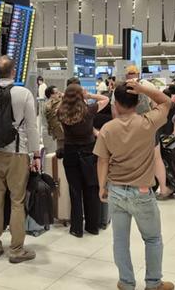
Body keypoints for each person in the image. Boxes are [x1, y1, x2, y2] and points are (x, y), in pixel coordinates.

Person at [95, 80, 175, 290]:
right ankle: (153, 283)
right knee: (152, 238)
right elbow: (166, 102)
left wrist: (101, 186)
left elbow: (102, 161)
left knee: (120, 241)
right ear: (138, 102)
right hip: (142, 191)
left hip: (116, 190)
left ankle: (126, 282)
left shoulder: (107, 129)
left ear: (115, 104)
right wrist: (144, 89)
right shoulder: (148, 122)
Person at [0, 56, 41, 264]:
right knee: (17, 201)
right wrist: (36, 154)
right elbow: (31, 127)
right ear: (13, 71)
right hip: (17, 154)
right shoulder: (23, 93)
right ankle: (16, 250)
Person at [56, 84, 109, 237]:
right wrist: (90, 96)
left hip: (70, 153)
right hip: (88, 153)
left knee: (75, 191)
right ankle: (92, 226)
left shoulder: (61, 112)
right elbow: (106, 99)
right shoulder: (89, 110)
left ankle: (76, 228)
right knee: (91, 189)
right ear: (81, 95)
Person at [42, 85, 64, 157]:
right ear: (51, 95)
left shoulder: (47, 104)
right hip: (56, 134)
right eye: (57, 92)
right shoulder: (50, 105)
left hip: (54, 134)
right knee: (54, 156)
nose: (59, 94)